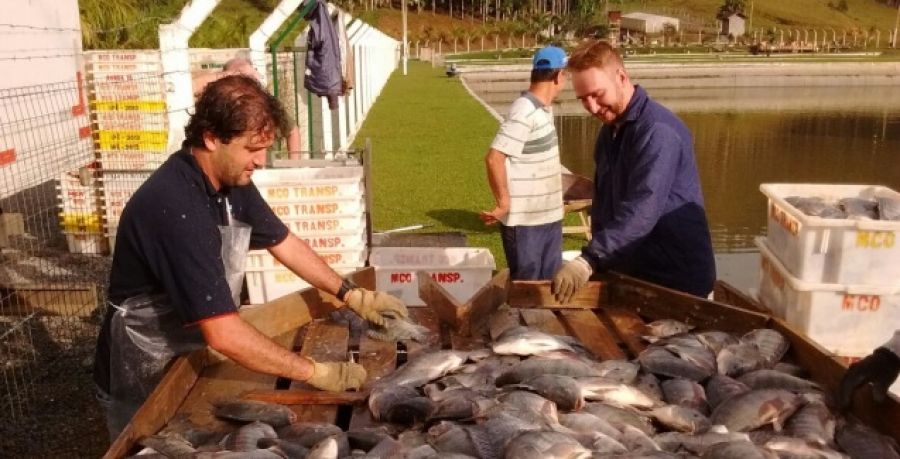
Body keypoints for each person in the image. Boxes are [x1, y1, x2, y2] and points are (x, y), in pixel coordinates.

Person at [93, 74, 408, 440]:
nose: (261, 161)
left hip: (189, 354)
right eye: (252, 149)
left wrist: (351, 293)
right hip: (143, 370)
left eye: (265, 148)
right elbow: (223, 333)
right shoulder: (176, 207)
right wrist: (315, 373)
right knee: (146, 444)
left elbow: (283, 242)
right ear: (211, 137)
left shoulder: (229, 181)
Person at [552, 40, 715, 303]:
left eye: (597, 94)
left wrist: (590, 260)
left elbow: (642, 209)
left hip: (677, 283)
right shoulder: (610, 132)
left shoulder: (657, 132)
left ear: (621, 77)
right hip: (635, 275)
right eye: (583, 99)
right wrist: (602, 265)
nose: (592, 107)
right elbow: (605, 205)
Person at [480, 46, 567, 280]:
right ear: (559, 76)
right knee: (526, 293)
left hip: (548, 218)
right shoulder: (524, 111)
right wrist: (504, 202)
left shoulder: (542, 109)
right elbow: (494, 157)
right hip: (526, 224)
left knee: (548, 292)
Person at [192, 57, 303, 160]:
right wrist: (230, 75)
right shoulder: (218, 109)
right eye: (238, 79)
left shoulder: (264, 105)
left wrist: (294, 165)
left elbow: (292, 131)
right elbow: (186, 88)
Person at [839, 332, 900, 410]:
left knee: (852, 377)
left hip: (883, 358)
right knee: (878, 395)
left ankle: (842, 406)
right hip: (893, 367)